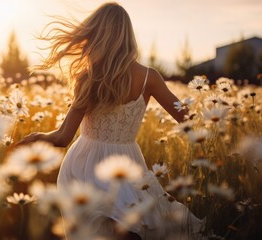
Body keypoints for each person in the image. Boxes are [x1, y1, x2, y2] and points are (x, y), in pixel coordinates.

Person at [18, 2, 205, 239]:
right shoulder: (149, 77)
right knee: (140, 223)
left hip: (84, 165)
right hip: (127, 162)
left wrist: (39, 138)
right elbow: (186, 117)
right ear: (128, 36)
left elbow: (63, 137)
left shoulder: (88, 77)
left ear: (96, 34)